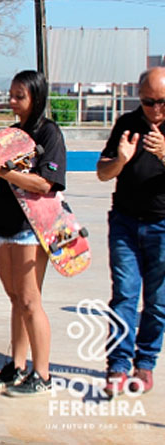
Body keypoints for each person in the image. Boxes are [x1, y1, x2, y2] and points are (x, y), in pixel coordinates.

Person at [0, 71, 65, 396]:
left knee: (31, 300)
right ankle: (16, 365)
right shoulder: (9, 134)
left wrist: (7, 171)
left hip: (32, 229)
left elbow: (45, 184)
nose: (13, 101)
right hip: (1, 227)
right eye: (11, 95)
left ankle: (42, 374)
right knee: (15, 299)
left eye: (20, 96)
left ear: (36, 97)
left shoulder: (50, 133)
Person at [97, 66, 165, 396]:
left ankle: (146, 363)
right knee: (125, 293)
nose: (154, 109)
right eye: (148, 102)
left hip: (162, 226)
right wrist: (120, 160)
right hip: (125, 222)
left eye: (162, 102)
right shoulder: (126, 124)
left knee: (157, 300)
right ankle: (119, 365)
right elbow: (102, 173)